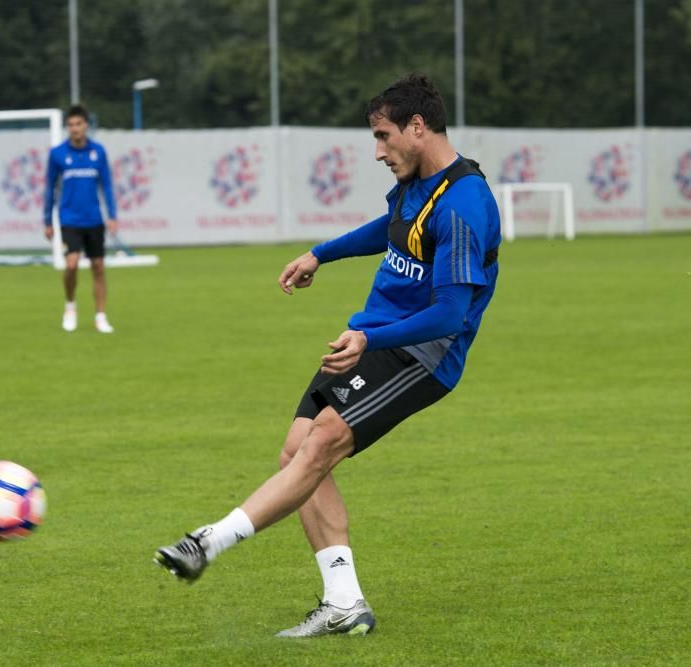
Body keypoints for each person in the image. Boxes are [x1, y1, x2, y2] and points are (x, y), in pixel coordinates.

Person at [155, 73, 501, 638]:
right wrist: (322, 253)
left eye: (384, 136)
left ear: (418, 127)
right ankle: (343, 602)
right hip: (372, 336)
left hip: (419, 352)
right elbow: (389, 230)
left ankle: (208, 541)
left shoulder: (463, 204)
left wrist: (370, 340)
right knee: (296, 451)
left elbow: (450, 315)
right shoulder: (419, 181)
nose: (378, 151)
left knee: (319, 445)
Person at [43, 104, 118, 333]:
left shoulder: (98, 152)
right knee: (72, 263)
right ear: (67, 127)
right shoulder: (57, 154)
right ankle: (70, 305)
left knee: (98, 266)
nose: (75, 129)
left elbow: (106, 185)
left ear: (86, 125)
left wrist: (112, 215)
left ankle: (101, 316)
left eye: (79, 124)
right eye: (71, 125)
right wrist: (47, 220)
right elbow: (50, 189)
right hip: (69, 219)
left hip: (93, 219)